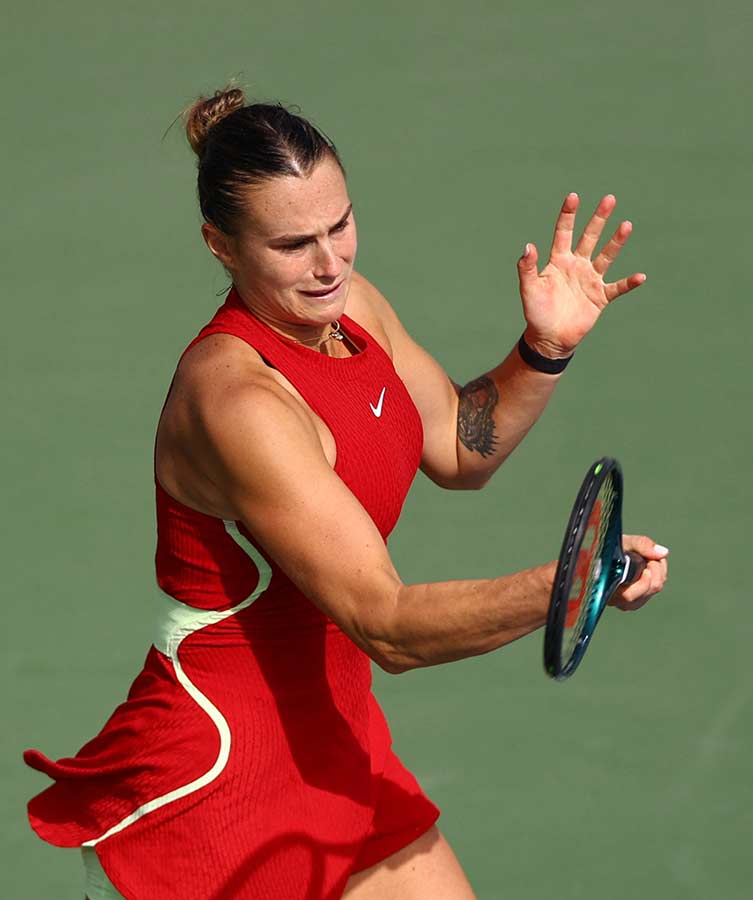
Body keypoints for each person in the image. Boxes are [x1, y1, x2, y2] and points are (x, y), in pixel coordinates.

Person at [24, 87, 669, 900]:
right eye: (294, 244)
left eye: (340, 225)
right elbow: (386, 625)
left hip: (339, 741)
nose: (330, 263)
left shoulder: (349, 309)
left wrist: (544, 348)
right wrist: (569, 582)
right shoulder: (239, 402)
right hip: (218, 788)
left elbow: (459, 445)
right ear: (220, 245)